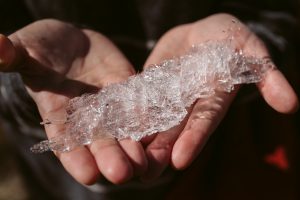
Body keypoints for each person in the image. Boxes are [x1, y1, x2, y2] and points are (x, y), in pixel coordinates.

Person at [0, 0, 299, 199]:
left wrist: (255, 38)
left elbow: (281, 12)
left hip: (219, 155)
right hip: (61, 183)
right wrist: (25, 83)